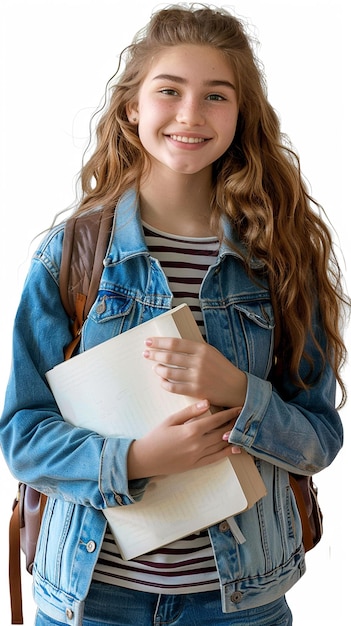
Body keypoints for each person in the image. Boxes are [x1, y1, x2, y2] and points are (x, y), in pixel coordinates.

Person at [0, 4, 348, 626]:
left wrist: (240, 393)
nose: (191, 114)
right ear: (133, 107)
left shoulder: (280, 259)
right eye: (170, 90)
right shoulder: (72, 257)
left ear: (241, 117)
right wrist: (135, 461)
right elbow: (22, 434)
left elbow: (319, 438)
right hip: (89, 598)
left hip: (239, 602)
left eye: (216, 95)